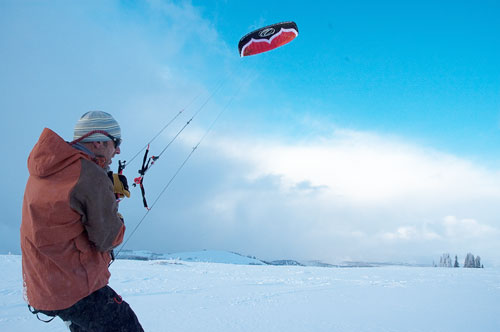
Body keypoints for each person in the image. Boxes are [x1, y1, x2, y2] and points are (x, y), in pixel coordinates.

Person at [20, 111, 143, 331]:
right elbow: (108, 238)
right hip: (74, 288)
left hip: (44, 287)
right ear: (98, 141)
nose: (118, 150)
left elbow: (68, 210)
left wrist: (105, 195)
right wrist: (113, 207)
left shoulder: (47, 166)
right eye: (115, 143)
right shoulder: (89, 175)